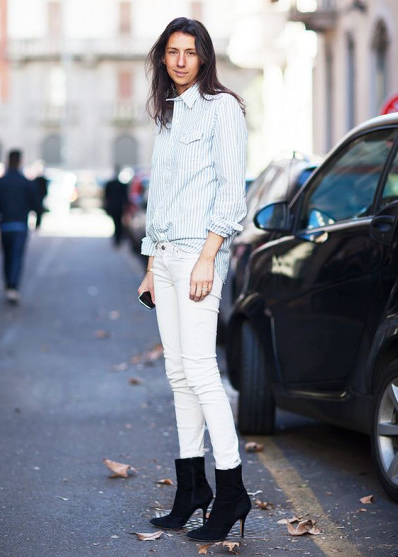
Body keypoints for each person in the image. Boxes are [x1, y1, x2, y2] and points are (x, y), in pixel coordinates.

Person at [138, 17, 251, 542]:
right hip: (164, 257)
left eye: (190, 52)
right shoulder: (167, 115)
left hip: (198, 256)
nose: (181, 60)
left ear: (204, 57)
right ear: (163, 58)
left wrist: (208, 256)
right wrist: (148, 266)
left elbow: (231, 193)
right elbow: (159, 200)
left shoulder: (221, 108)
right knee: (178, 375)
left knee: (202, 372)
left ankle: (231, 492)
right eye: (172, 52)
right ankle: (191, 490)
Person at [0, 149, 40, 304]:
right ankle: (13, 287)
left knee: (7, 257)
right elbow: (36, 203)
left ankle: (9, 284)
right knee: (16, 256)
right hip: (20, 226)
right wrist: (38, 221)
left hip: (5, 225)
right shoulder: (26, 182)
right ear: (20, 161)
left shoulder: (1, 182)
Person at [104, 168, 129, 246]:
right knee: (118, 223)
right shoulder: (121, 185)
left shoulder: (110, 184)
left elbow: (106, 196)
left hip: (114, 206)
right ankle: (117, 238)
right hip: (119, 207)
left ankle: (117, 238)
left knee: (116, 223)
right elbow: (125, 197)